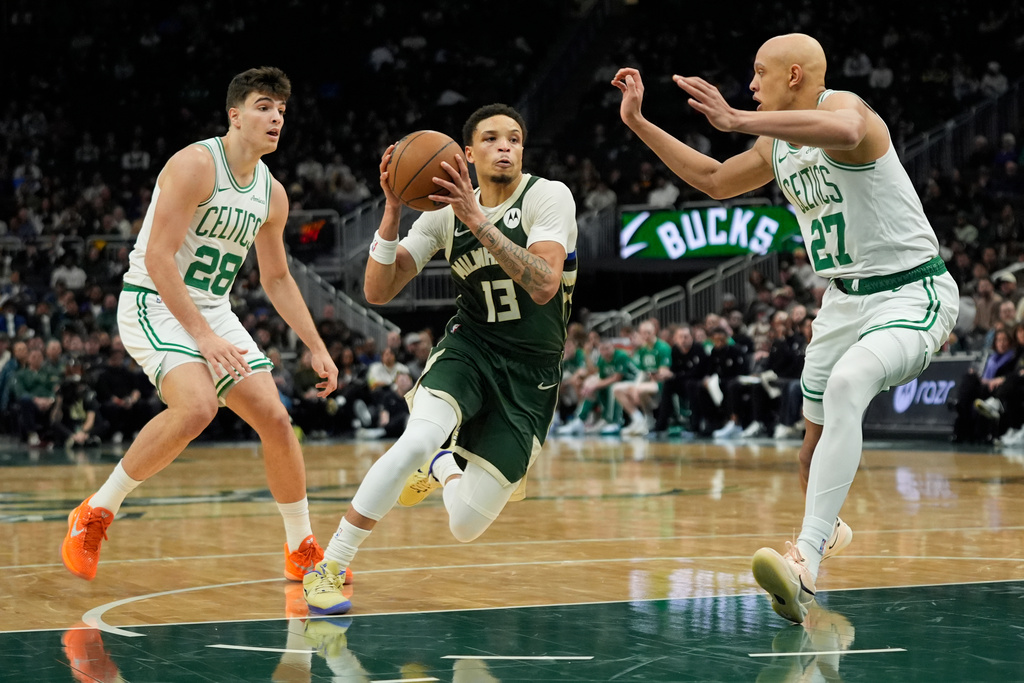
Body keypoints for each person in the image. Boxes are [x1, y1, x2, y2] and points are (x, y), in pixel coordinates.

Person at [612, 33, 958, 623]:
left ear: (794, 76)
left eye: (758, 73)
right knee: (809, 453)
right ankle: (829, 532)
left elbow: (848, 134)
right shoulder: (777, 143)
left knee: (850, 385)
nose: (749, 84)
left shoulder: (845, 109)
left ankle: (805, 565)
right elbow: (717, 180)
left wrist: (735, 116)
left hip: (909, 290)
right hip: (842, 301)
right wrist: (640, 123)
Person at [60, 67, 340, 584]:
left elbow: (276, 278)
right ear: (234, 115)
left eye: (281, 109)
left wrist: (316, 345)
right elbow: (160, 258)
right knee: (197, 406)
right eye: (263, 106)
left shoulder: (272, 194)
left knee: (276, 421)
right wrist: (205, 339)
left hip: (212, 309)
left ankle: (300, 547)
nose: (275, 117)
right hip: (154, 300)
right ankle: (95, 512)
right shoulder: (193, 164)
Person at [302, 103, 578, 615]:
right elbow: (378, 289)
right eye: (492, 139)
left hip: (533, 371)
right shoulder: (442, 214)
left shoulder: (548, 196)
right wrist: (390, 210)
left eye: (514, 139)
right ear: (467, 154)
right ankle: (331, 566)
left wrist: (477, 220)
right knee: (418, 436)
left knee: (466, 525)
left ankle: (443, 466)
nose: (505, 147)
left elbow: (543, 283)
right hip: (470, 347)